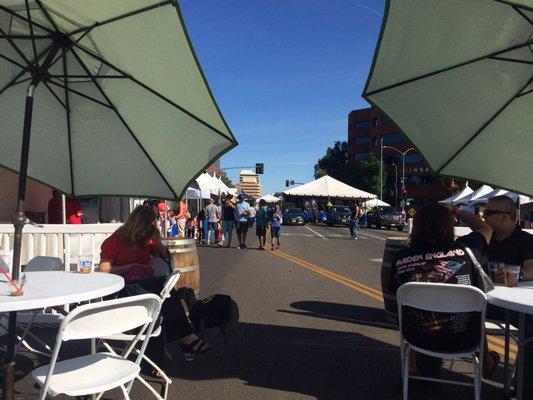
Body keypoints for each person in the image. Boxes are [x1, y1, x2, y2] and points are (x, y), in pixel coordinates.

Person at [388, 203, 498, 381]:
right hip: (465, 339)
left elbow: (395, 296)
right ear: (450, 226)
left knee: (409, 309)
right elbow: (484, 227)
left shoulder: (401, 258)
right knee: (475, 310)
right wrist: (455, 210)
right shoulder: (468, 250)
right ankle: (485, 363)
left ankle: (412, 367)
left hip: (417, 337)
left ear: (416, 227)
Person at [98, 205, 211, 361]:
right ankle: (184, 337)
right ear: (133, 225)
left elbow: (162, 255)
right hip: (119, 292)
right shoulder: (114, 241)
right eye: (141, 230)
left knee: (158, 301)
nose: (143, 234)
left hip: (141, 289)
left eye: (148, 231)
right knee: (159, 292)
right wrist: (130, 266)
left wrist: (157, 240)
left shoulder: (146, 240)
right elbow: (103, 269)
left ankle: (155, 360)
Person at [483, 195, 533, 394]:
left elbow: (531, 267)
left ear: (505, 216)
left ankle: (524, 386)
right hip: (484, 301)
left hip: (513, 305)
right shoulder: (484, 238)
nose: (483, 216)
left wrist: (517, 274)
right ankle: (485, 362)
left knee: (531, 324)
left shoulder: (526, 241)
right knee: (463, 310)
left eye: (488, 212)